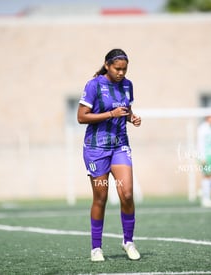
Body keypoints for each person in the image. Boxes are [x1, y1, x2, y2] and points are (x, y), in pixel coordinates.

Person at [77, 49, 142, 262]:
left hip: (119, 146)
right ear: (107, 65)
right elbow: (81, 117)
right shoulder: (93, 85)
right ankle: (96, 248)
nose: (121, 73)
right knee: (101, 197)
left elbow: (125, 108)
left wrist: (132, 118)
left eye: (124, 69)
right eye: (117, 68)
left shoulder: (127, 85)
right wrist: (110, 114)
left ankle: (128, 242)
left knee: (127, 194)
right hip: (96, 149)